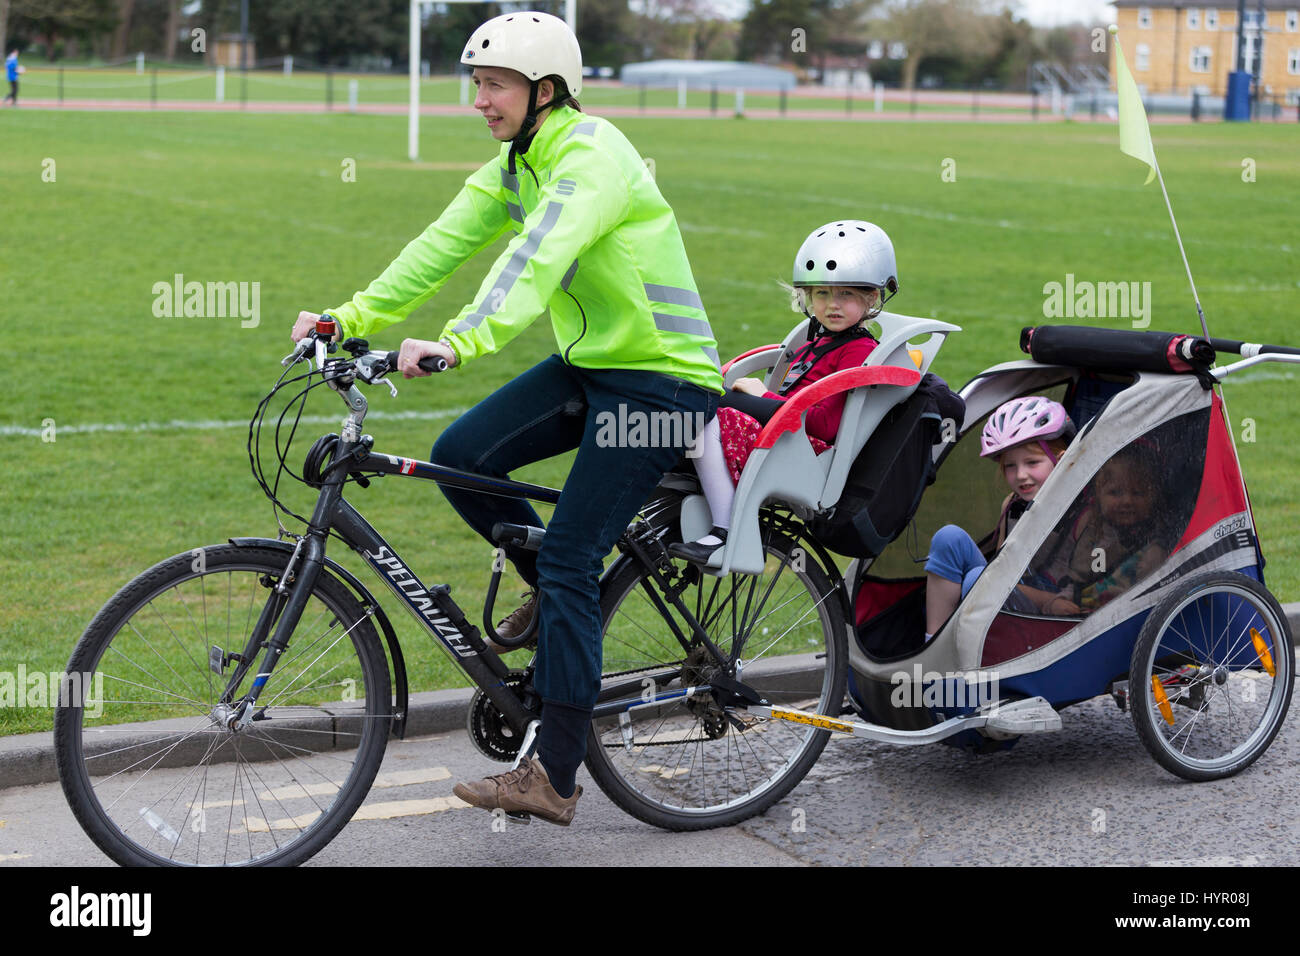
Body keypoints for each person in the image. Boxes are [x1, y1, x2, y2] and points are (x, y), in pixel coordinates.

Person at [290, 11, 722, 825]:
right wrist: (346, 318)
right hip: (596, 369)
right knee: (465, 454)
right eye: (477, 85)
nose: (479, 101)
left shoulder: (592, 156)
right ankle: (568, 602)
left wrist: (460, 342)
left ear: (545, 91)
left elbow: (536, 257)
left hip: (664, 386)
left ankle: (553, 777)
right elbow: (440, 244)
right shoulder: (518, 163)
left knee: (566, 557)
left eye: (494, 86)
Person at [671, 221, 897, 564]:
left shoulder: (857, 350)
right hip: (787, 437)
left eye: (846, 294)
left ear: (872, 298)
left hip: (805, 452)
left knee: (704, 416)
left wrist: (762, 397)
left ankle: (724, 530)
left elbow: (823, 424)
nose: (832, 305)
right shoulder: (818, 340)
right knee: (684, 404)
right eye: (822, 293)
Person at [924, 396, 1079, 638]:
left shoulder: (1080, 513)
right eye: (1010, 466)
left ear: (1061, 460)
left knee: (978, 579)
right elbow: (1000, 565)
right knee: (949, 538)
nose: (1021, 475)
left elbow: (1076, 597)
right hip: (1012, 592)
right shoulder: (1012, 505)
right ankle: (934, 642)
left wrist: (1043, 598)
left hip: (1048, 618)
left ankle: (969, 651)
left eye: (1032, 462)